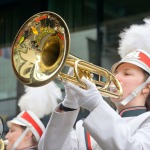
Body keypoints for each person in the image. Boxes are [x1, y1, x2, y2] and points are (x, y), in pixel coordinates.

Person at [38, 19, 150, 150]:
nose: (116, 77)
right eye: (116, 72)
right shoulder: (83, 128)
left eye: (127, 74)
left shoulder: (146, 122)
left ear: (146, 87)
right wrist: (69, 105)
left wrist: (96, 104)